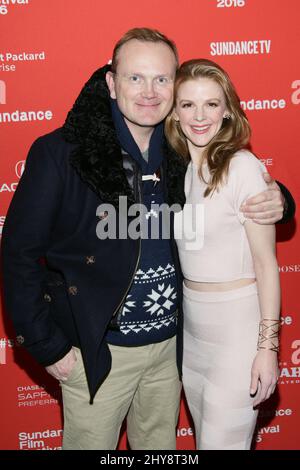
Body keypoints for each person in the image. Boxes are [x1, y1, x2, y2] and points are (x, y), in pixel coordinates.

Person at [1, 30, 294, 450]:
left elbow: (231, 179)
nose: (150, 92)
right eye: (135, 78)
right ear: (111, 82)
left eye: (162, 79)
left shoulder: (181, 146)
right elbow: (19, 254)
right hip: (97, 352)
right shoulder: (62, 152)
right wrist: (48, 347)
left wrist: (280, 199)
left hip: (172, 349)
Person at [165, 58, 286, 450]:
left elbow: (267, 265)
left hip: (237, 335)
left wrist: (267, 349)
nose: (200, 116)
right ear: (174, 111)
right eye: (187, 104)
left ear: (227, 110)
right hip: (192, 336)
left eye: (211, 104)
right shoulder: (178, 170)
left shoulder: (242, 167)